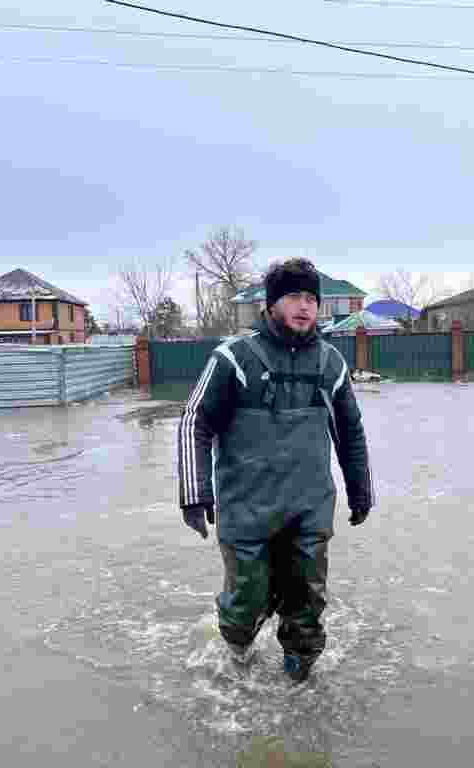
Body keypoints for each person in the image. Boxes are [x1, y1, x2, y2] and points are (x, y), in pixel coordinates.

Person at [177, 258, 374, 683]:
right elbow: (195, 421)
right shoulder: (233, 358)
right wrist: (195, 493)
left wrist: (360, 490)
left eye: (311, 298)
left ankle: (299, 680)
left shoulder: (331, 364)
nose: (305, 306)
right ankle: (237, 663)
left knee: (306, 605)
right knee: (246, 604)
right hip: (247, 510)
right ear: (271, 305)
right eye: (294, 297)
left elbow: (350, 432)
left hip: (308, 508)